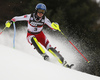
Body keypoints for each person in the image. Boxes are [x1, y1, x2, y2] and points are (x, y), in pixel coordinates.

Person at [5, 3, 73, 68]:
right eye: (40, 11)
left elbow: (52, 27)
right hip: (30, 34)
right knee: (33, 39)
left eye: (43, 12)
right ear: (36, 10)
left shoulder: (45, 19)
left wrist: (55, 27)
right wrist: (10, 21)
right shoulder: (29, 17)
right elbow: (16, 18)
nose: (41, 13)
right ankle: (45, 56)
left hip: (40, 35)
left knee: (49, 47)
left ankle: (64, 63)